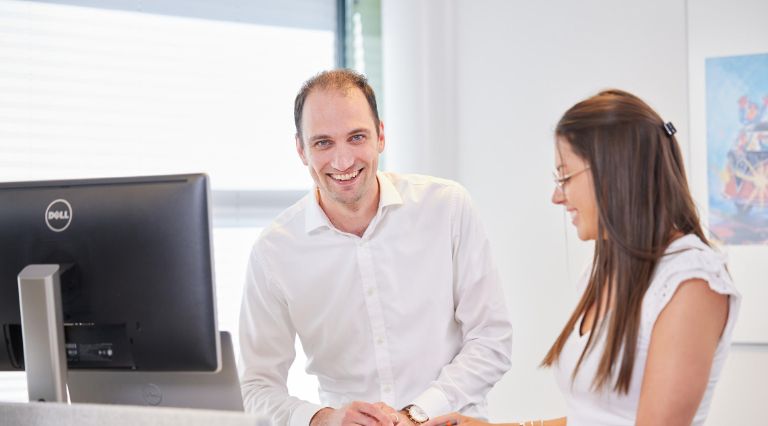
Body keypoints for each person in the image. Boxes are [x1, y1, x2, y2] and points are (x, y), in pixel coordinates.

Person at [424, 89, 741, 426]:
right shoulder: (605, 268)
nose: (556, 196)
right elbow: (592, 418)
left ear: (614, 171)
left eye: (564, 176)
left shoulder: (691, 281)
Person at [238, 69, 513, 426]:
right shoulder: (274, 251)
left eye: (356, 137)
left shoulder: (446, 207)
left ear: (381, 136)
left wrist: (416, 414)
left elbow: (491, 339)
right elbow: (255, 387)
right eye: (323, 143)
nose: (342, 161)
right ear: (301, 149)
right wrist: (324, 418)